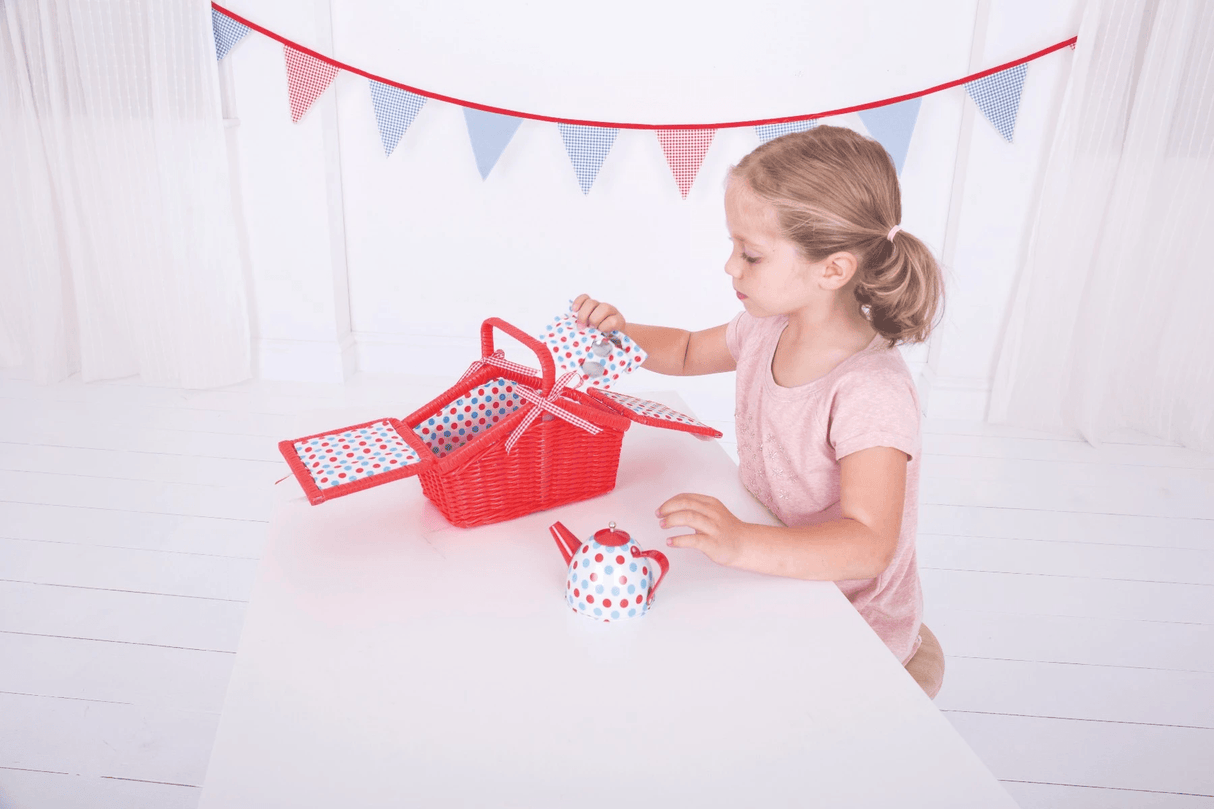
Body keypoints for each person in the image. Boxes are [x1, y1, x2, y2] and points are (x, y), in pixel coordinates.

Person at [572, 125, 947, 698]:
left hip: (851, 624)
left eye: (750, 254)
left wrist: (741, 542)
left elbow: (869, 544)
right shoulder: (766, 326)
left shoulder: (870, 391)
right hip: (777, 565)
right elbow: (691, 349)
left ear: (833, 270)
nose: (731, 267)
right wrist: (621, 334)